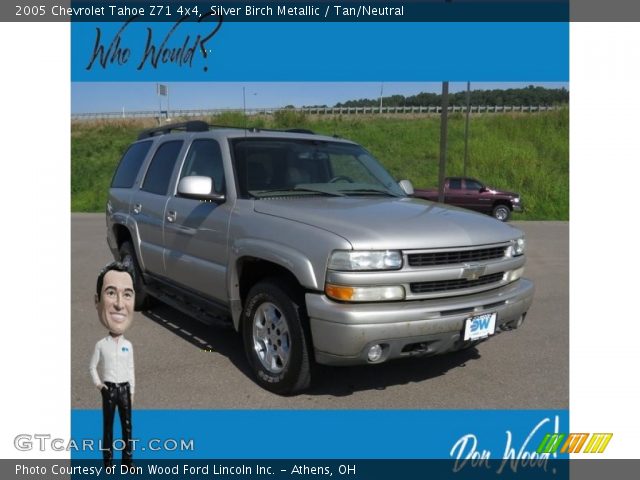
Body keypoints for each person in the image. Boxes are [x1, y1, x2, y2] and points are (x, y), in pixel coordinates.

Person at [89, 261, 136, 468]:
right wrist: (100, 385)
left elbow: (132, 369)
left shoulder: (128, 345)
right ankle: (107, 462)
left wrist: (132, 391)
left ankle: (127, 462)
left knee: (127, 427)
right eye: (110, 293)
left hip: (125, 389)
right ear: (97, 300)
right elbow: (92, 366)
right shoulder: (101, 344)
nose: (119, 303)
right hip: (109, 389)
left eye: (127, 294)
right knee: (107, 427)